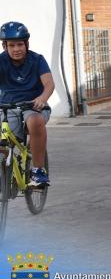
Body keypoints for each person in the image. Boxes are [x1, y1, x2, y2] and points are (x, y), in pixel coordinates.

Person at [0, 21, 54, 187]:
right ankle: (7, 170)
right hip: (8, 106)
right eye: (12, 45)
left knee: (35, 122)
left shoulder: (37, 60)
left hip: (33, 105)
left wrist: (42, 98)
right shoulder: (1, 61)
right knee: (3, 140)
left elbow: (49, 84)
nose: (16, 49)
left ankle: (38, 170)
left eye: (20, 44)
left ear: (26, 44)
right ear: (5, 46)